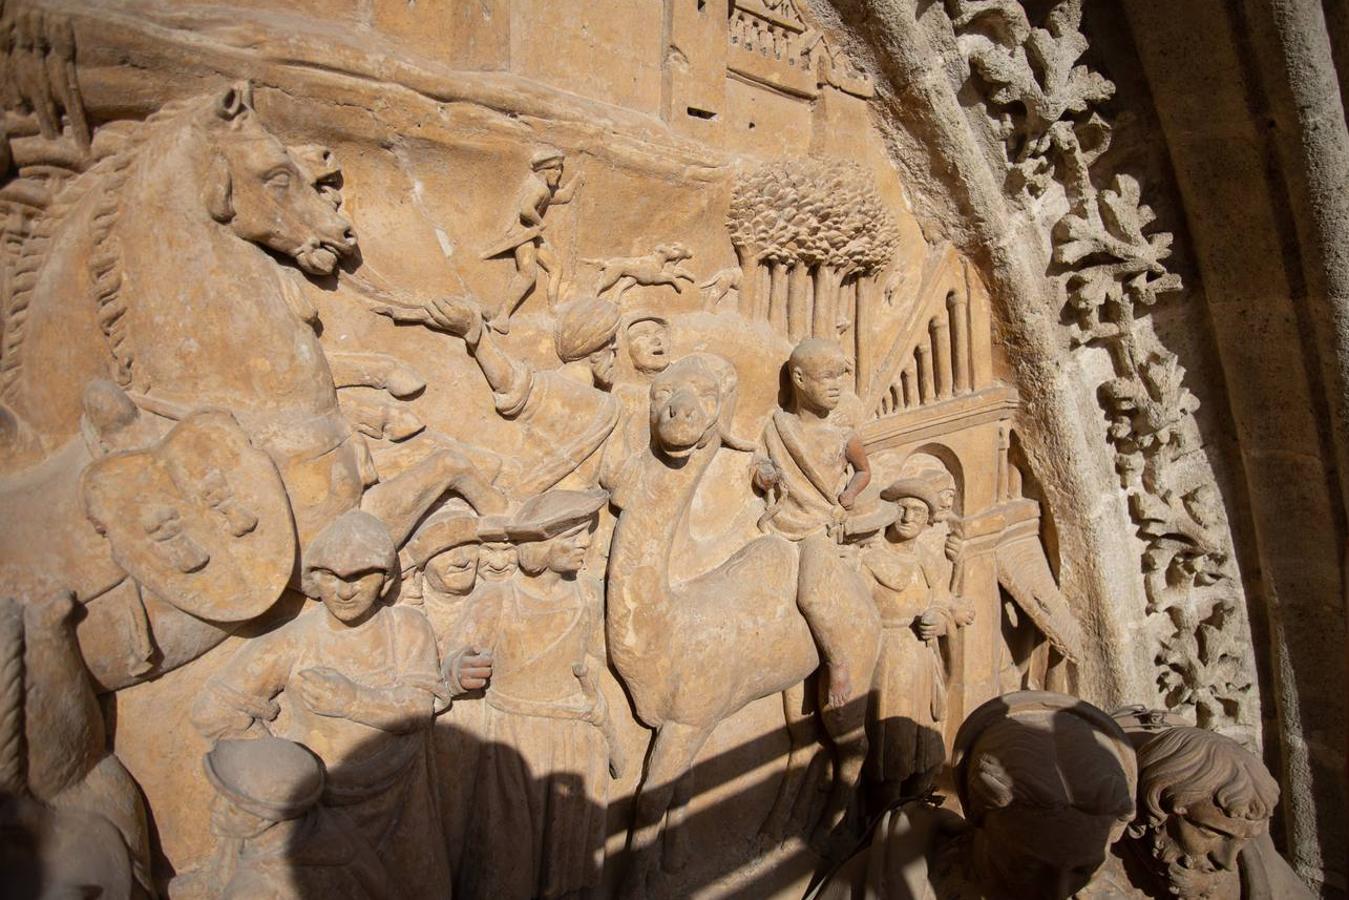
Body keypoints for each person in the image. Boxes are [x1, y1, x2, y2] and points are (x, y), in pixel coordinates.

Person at [191, 510, 452, 900]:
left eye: (359, 576)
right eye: (331, 575)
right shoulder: (295, 640)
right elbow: (215, 708)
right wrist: (278, 767)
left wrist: (351, 700)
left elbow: (417, 707)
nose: (344, 590)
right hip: (321, 808)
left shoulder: (407, 628)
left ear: (385, 580)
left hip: (402, 800)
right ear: (314, 579)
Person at [457, 489, 625, 900]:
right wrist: (458, 669)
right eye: (573, 536)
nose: (585, 543)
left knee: (570, 864)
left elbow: (600, 658)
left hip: (574, 740)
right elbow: (459, 656)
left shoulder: (586, 594)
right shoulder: (498, 598)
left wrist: (597, 706)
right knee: (505, 857)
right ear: (542, 543)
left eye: (586, 533)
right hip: (515, 741)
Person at [812, 691, 1138, 900]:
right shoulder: (879, 885)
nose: (1056, 895)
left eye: (1084, 871)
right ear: (980, 821)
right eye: (1025, 867)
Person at [752, 337, 876, 707]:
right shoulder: (777, 427)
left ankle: (837, 661)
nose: (837, 385)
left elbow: (864, 471)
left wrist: (850, 495)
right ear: (800, 380)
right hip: (779, 524)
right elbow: (759, 467)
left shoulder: (841, 436)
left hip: (815, 529)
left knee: (812, 594)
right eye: (827, 377)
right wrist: (765, 476)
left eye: (840, 376)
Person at [425, 294, 622, 494]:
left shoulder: (552, 386)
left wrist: (477, 334)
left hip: (549, 506)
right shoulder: (597, 403)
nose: (616, 347)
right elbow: (508, 380)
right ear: (594, 345)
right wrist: (476, 335)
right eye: (610, 339)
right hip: (553, 508)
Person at [860, 471, 973, 809]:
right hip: (886, 663)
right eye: (903, 508)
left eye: (919, 512)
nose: (909, 517)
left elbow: (942, 602)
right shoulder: (870, 559)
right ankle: (884, 821)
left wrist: (940, 622)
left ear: (928, 521)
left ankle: (915, 810)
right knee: (891, 753)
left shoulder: (928, 561)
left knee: (925, 748)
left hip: (922, 664)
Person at [1113, 725, 1312, 899]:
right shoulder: (1093, 856)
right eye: (1211, 833)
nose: (1227, 862)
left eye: (1243, 840)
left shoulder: (1250, 849)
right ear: (1157, 806)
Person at [185, 736, 389, 899]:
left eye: (233, 807)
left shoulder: (255, 889)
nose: (214, 808)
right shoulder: (330, 827)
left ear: (265, 818)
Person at [480, 146, 583, 328]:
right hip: (522, 235)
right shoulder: (539, 189)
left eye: (560, 169)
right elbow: (526, 210)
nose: (559, 174)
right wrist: (539, 222)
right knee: (528, 275)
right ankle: (502, 317)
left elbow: (563, 197)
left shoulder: (540, 187)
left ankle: (552, 309)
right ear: (545, 170)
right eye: (556, 169)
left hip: (531, 235)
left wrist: (578, 178)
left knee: (555, 268)